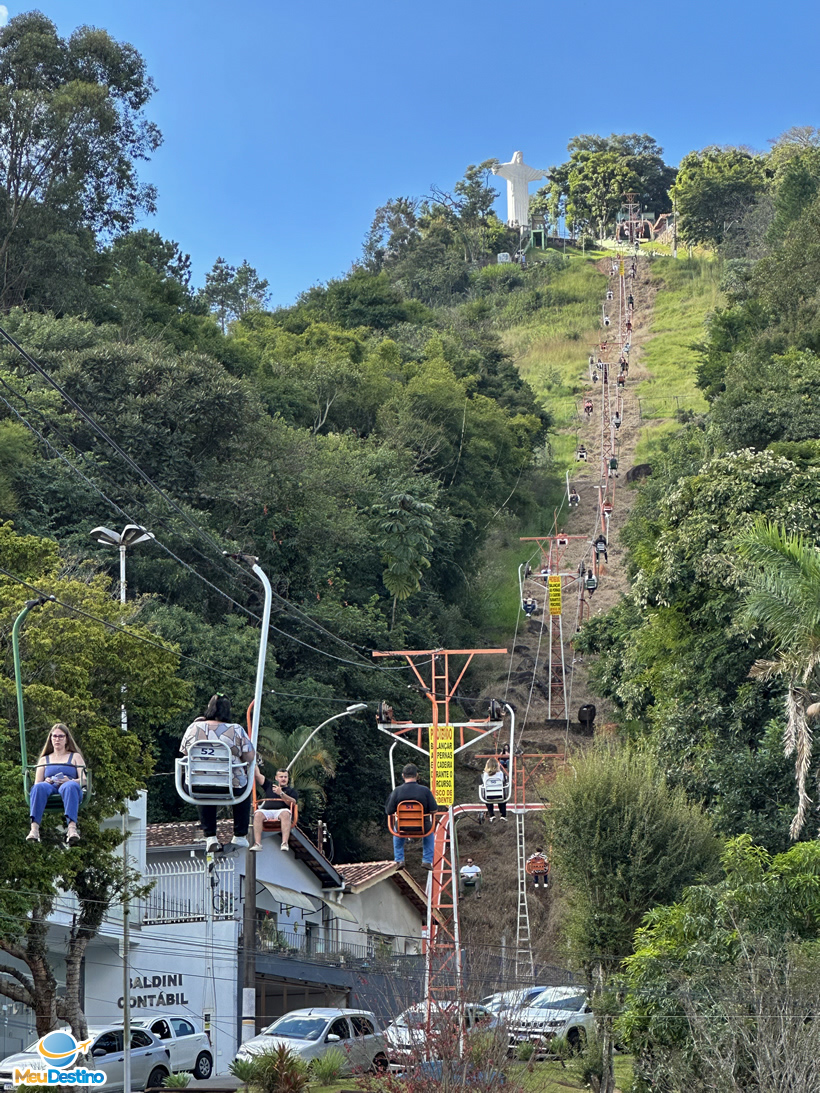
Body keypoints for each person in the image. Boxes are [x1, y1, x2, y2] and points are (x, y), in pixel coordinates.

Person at [180, 694, 256, 853]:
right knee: (244, 782)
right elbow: (249, 757)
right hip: (231, 786)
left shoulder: (193, 728)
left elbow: (185, 752)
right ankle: (240, 835)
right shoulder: (236, 730)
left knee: (203, 783)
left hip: (197, 786)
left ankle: (210, 837)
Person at [27, 723, 86, 845]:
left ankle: (71, 828)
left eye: (60, 736)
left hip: (68, 785)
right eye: (54, 736)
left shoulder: (75, 757)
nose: (57, 739)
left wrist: (70, 780)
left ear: (66, 739)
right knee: (38, 787)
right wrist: (46, 781)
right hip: (50, 785)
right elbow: (37, 782)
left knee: (70, 787)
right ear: (50, 739)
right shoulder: (44, 759)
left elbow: (84, 780)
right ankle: (34, 829)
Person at [385, 764, 437, 869]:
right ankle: (427, 860)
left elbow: (389, 811)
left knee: (397, 833)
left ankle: (399, 860)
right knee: (429, 833)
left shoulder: (397, 791)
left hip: (402, 827)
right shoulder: (425, 790)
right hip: (422, 826)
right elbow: (434, 809)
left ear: (403, 776)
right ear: (417, 775)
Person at [251, 767, 298, 852]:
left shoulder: (291, 791)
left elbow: (293, 802)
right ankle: (257, 843)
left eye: (285, 777)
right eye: (281, 777)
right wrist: (254, 761)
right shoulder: (269, 785)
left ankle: (284, 843)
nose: (283, 779)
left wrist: (281, 793)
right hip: (267, 811)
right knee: (257, 814)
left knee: (286, 813)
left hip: (281, 811)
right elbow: (258, 775)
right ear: (276, 778)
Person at [482, 758, 507, 822]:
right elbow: (503, 781)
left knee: (488, 797)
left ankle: (492, 814)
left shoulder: (485, 774)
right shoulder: (500, 773)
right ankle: (503, 815)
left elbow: (484, 783)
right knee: (502, 799)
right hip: (499, 795)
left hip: (488, 796)